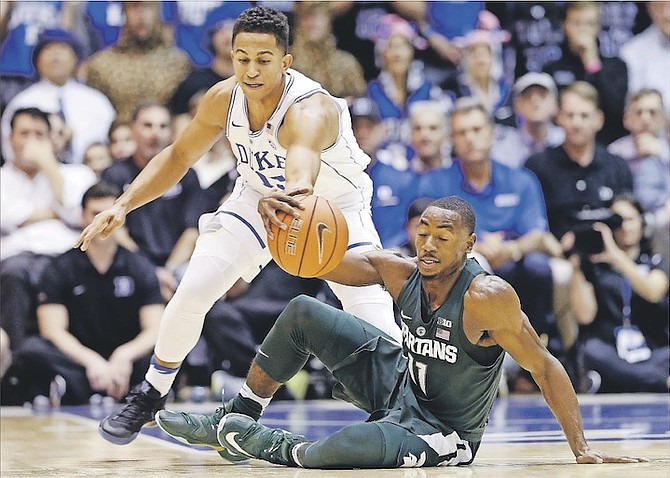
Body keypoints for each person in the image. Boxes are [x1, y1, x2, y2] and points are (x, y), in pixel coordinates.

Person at [75, 6, 398, 447]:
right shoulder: (222, 98)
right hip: (255, 197)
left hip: (332, 207)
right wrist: (123, 205)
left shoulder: (309, 110)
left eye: (263, 59)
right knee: (194, 287)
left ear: (286, 61)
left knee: (369, 309)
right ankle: (150, 393)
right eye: (242, 57)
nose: (250, 69)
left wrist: (289, 201)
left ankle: (407, 404)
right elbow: (177, 157)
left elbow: (300, 180)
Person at [155, 196, 646, 468]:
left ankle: (263, 444)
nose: (428, 244)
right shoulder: (400, 271)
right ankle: (233, 420)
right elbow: (324, 264)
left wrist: (579, 446)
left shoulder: (487, 297)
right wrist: (286, 236)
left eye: (443, 237)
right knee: (304, 310)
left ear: (468, 244)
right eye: (424, 232)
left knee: (349, 448)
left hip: (442, 429)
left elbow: (544, 365)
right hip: (396, 383)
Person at [419, 98, 566, 360]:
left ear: (492, 134)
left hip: (514, 261)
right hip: (465, 264)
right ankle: (477, 358)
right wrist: (475, 247)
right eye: (462, 133)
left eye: (476, 130)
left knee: (539, 267)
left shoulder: (521, 179)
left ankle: (538, 352)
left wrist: (512, 248)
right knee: (477, 264)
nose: (470, 139)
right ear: (452, 139)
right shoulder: (434, 184)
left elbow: (537, 232)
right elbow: (426, 236)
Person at [0, 182, 164, 405]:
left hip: (126, 358)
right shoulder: (60, 267)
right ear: (82, 217)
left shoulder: (140, 267)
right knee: (31, 349)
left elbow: (154, 329)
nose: (103, 223)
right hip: (79, 358)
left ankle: (97, 390)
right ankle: (80, 388)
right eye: (96, 214)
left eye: (109, 215)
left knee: (163, 351)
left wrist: (124, 355)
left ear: (122, 218)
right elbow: (52, 329)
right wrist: (92, 361)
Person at [1, 107, 96, 352]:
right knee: (14, 273)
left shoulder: (76, 174)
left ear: (51, 139)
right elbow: (6, 217)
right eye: (24, 133)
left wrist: (48, 165)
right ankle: (16, 363)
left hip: (66, 256)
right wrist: (53, 213)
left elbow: (79, 215)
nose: (31, 141)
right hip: (17, 259)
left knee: (82, 272)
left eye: (39, 134)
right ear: (10, 139)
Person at [100, 101, 208, 302]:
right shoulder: (114, 174)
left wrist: (167, 271)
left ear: (171, 132)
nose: (155, 133)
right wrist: (151, 271)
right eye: (147, 125)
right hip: (130, 262)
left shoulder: (188, 175)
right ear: (132, 130)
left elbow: (192, 230)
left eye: (163, 126)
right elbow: (115, 231)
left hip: (178, 265)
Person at [569, 194, 669, 393]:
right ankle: (660, 382)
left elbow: (653, 292)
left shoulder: (657, 263)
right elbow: (584, 315)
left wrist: (617, 257)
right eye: (617, 219)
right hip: (610, 349)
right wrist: (576, 266)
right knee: (591, 350)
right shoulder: (595, 268)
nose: (624, 226)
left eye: (630, 219)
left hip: (653, 349)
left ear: (643, 223)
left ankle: (612, 381)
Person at [0, 28, 116, 165]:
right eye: (48, 48)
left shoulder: (97, 101)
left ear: (76, 60)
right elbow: (9, 149)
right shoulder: (22, 102)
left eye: (63, 48)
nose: (56, 54)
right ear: (37, 60)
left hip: (91, 178)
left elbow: (113, 145)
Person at [82, 1, 191, 122]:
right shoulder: (102, 64)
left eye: (148, 7)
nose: (141, 15)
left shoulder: (178, 63)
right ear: (124, 13)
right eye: (134, 7)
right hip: (118, 136)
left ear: (158, 12)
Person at [542, 2, 628, 145]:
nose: (582, 30)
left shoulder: (616, 66)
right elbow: (550, 115)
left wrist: (592, 64)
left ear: (598, 27)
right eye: (577, 23)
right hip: (562, 144)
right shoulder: (551, 69)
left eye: (589, 24)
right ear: (564, 26)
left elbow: (617, 111)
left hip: (609, 144)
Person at [289, 1, 367, 102]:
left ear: (328, 19)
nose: (312, 22)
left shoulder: (346, 64)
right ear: (298, 22)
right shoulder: (287, 62)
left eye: (318, 16)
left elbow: (360, 105)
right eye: (306, 16)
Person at [491, 72, 565, 169]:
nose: (535, 102)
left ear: (555, 105)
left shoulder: (564, 140)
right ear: (517, 106)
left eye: (542, 95)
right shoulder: (503, 147)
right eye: (528, 96)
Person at [618, 2, 670, 118]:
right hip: (650, 131)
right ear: (650, 9)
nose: (667, 15)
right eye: (660, 7)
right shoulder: (632, 52)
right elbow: (635, 105)